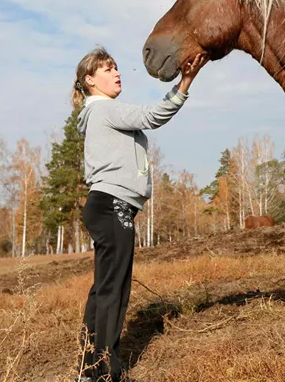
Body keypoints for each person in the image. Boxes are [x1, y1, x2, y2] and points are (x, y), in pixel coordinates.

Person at [72, 46, 206, 381]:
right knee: (114, 289)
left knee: (104, 287)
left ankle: (89, 370)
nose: (116, 73)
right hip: (113, 203)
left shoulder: (97, 113)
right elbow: (153, 116)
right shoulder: (104, 109)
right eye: (106, 69)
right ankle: (105, 372)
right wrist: (185, 81)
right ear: (90, 81)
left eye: (116, 67)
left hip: (106, 204)